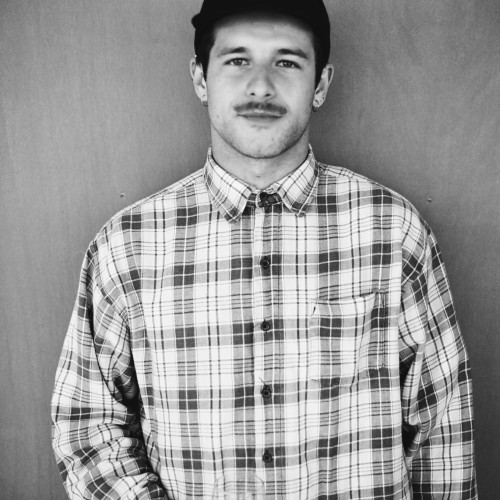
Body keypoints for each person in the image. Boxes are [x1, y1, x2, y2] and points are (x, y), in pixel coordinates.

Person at [51, 0, 477, 498]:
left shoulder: (394, 232)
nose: (261, 85)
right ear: (200, 79)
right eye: (237, 59)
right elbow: (88, 428)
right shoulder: (126, 247)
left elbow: (442, 423)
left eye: (287, 61)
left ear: (320, 84)